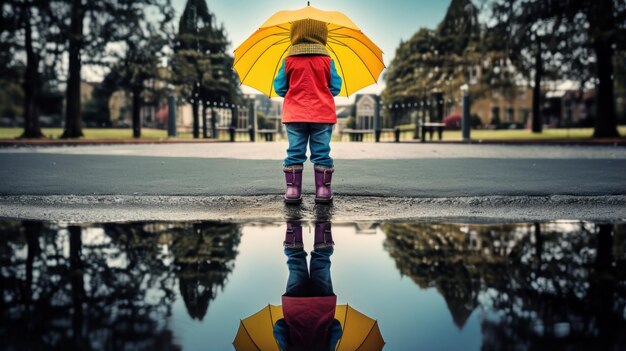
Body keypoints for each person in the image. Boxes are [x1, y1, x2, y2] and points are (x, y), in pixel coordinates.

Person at [273, 19, 343, 204]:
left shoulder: (288, 61)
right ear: (323, 36)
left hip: (294, 114)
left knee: (295, 151)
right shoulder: (327, 61)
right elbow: (335, 87)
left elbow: (279, 87)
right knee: (321, 152)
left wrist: (293, 92)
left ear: (294, 35)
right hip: (322, 114)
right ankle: (323, 190)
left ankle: (293, 190)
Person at [273, 221, 342, 351]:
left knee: (322, 260)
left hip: (322, 304)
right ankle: (293, 227)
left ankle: (323, 226)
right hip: (295, 305)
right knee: (295, 261)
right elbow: (279, 327)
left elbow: (336, 328)